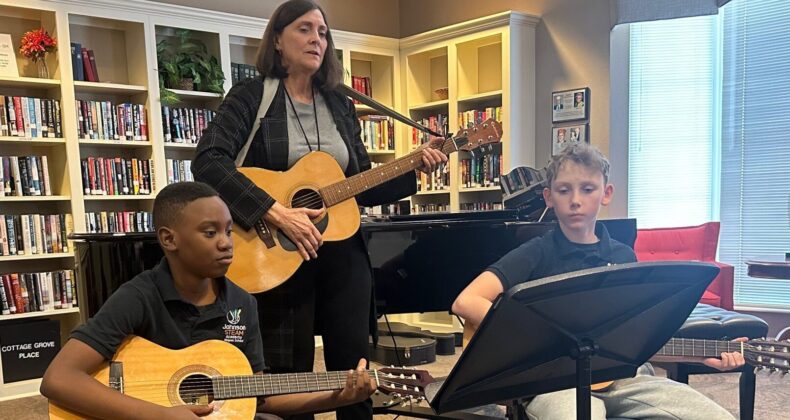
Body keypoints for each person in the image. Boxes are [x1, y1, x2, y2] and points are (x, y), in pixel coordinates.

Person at [191, 1, 447, 419]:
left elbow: (360, 184)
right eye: (304, 29)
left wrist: (415, 166)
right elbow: (208, 161)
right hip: (276, 249)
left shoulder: (339, 105)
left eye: (323, 33)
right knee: (287, 371)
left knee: (354, 368)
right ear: (277, 39)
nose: (317, 39)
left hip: (341, 251)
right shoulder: (251, 96)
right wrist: (273, 210)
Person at [452, 143, 744, 420]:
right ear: (548, 198)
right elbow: (466, 301)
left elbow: (637, 338)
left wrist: (704, 355)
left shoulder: (622, 256)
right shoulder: (536, 252)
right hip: (553, 384)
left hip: (623, 380)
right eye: (564, 190)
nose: (575, 200)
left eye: (587, 189)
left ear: (606, 194)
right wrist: (541, 337)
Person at [40, 182, 376, 419]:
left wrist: (338, 397)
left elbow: (259, 397)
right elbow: (58, 379)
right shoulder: (139, 296)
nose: (226, 243)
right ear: (169, 239)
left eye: (228, 230)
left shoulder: (242, 303)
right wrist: (157, 414)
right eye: (210, 232)